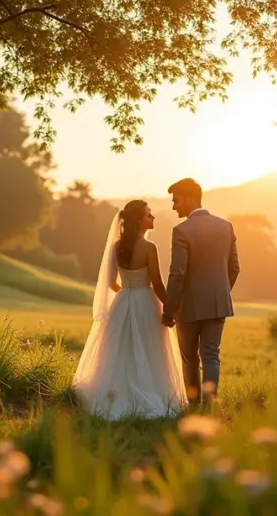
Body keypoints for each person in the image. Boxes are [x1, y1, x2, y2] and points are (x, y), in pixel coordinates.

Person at [72, 199, 188, 420]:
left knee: (120, 350)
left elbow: (110, 283)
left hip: (123, 300)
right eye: (148, 215)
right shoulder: (149, 248)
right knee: (150, 348)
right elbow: (158, 284)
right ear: (138, 221)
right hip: (145, 301)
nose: (152, 217)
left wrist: (127, 294)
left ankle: (115, 393)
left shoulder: (117, 247)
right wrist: (171, 310)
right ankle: (150, 391)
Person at [161, 178, 240, 406]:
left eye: (176, 201)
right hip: (218, 304)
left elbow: (178, 274)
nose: (174, 206)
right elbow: (234, 268)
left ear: (189, 197)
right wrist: (220, 292)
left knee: (189, 359)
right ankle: (210, 405)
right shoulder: (226, 226)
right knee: (211, 356)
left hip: (189, 307)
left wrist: (169, 310)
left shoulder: (181, 231)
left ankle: (193, 405)